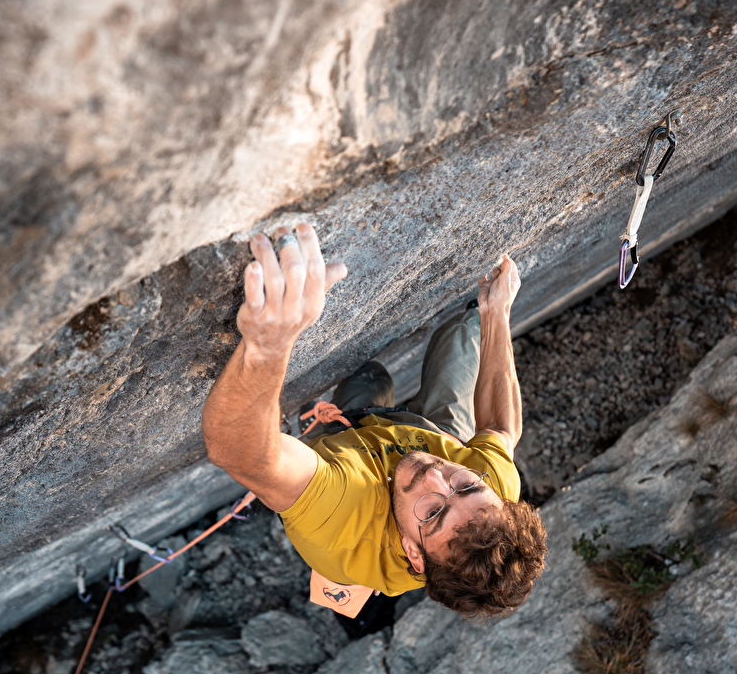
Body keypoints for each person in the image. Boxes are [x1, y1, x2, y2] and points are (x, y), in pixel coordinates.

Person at [202, 224, 547, 619]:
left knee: (370, 377)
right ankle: (471, 321)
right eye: (467, 485)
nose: (435, 476)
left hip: (355, 453)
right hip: (429, 431)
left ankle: (329, 419)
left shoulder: (347, 519)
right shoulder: (492, 497)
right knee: (465, 336)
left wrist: (267, 346)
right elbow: (502, 431)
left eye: (433, 513)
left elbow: (240, 453)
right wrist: (496, 313)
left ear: (415, 553)